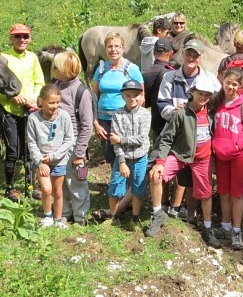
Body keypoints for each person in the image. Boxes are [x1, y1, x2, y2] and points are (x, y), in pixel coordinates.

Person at [144, 75, 222, 248]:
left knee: (206, 192)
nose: (203, 98)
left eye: (207, 95)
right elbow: (166, 139)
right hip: (180, 155)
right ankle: (157, 213)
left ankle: (208, 227)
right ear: (192, 92)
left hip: (203, 158)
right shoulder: (181, 113)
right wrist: (160, 161)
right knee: (156, 175)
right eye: (200, 94)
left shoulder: (211, 112)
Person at [157, 38, 221, 220]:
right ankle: (163, 207)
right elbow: (162, 103)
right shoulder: (170, 77)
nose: (191, 57)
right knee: (168, 172)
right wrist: (174, 113)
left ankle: (190, 212)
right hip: (177, 134)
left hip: (200, 137)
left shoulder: (209, 79)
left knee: (195, 179)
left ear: (201, 58)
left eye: (196, 55)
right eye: (189, 53)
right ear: (183, 54)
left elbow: (217, 103)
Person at [0, 23, 44, 202]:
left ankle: (31, 185)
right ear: (11, 38)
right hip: (9, 110)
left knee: (30, 148)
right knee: (12, 150)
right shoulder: (3, 58)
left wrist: (34, 99)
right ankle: (10, 188)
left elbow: (39, 82)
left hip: (30, 110)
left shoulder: (33, 58)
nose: (22, 40)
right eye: (18, 36)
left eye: (25, 36)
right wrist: (10, 97)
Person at [212, 68, 243, 250]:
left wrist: (240, 144)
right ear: (223, 81)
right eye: (228, 82)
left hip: (239, 155)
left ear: (240, 86)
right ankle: (225, 225)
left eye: (234, 84)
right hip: (221, 155)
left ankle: (237, 229)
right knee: (223, 191)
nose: (230, 87)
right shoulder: (217, 102)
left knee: (236, 193)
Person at [98, 79, 152, 224]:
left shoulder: (145, 115)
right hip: (122, 157)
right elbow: (113, 140)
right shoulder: (117, 114)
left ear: (141, 96)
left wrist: (121, 140)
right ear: (123, 96)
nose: (132, 98)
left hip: (140, 156)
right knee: (115, 185)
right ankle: (114, 216)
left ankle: (135, 217)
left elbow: (141, 138)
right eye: (128, 95)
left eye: (136, 95)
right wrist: (121, 161)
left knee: (137, 187)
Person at [53, 52, 95, 225]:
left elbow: (87, 125)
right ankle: (65, 211)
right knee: (60, 179)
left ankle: (80, 216)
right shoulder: (56, 85)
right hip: (55, 141)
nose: (53, 70)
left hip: (73, 142)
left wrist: (79, 153)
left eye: (56, 67)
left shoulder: (81, 91)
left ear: (66, 70)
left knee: (77, 181)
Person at [92, 32, 144, 168]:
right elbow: (93, 97)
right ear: (105, 49)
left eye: (117, 46)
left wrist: (134, 119)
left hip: (125, 119)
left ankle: (128, 187)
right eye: (110, 46)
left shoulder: (132, 69)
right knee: (110, 155)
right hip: (105, 120)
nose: (113, 50)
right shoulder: (101, 69)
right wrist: (96, 123)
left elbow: (141, 96)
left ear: (123, 48)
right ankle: (116, 186)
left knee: (127, 155)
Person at [27, 84, 75, 228]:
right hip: (41, 161)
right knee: (46, 189)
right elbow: (31, 142)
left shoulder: (64, 116)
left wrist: (54, 156)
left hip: (58, 160)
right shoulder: (33, 118)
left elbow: (69, 140)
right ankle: (47, 215)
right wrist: (40, 162)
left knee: (57, 191)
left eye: (57, 102)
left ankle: (58, 219)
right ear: (41, 101)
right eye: (51, 102)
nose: (55, 106)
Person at [143, 38, 177, 138]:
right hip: (171, 122)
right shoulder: (173, 73)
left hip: (156, 123)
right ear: (171, 53)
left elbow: (144, 101)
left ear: (153, 52)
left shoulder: (145, 73)